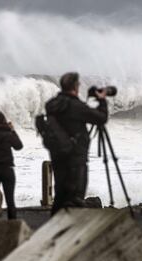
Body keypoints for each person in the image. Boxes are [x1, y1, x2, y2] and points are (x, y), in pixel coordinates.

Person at [45, 72, 108, 215]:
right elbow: (101, 118)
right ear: (75, 86)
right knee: (75, 197)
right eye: (78, 85)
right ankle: (71, 231)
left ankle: (54, 229)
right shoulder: (75, 106)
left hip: (58, 155)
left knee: (60, 195)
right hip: (75, 158)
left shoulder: (53, 105)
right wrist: (102, 101)